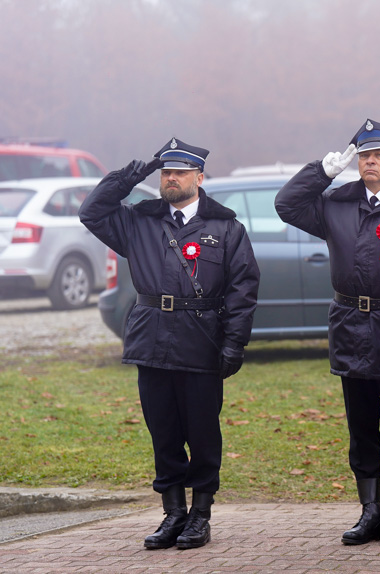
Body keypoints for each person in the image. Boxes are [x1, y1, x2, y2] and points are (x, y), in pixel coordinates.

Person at [79, 138, 260, 550]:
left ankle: (200, 514)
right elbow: (91, 210)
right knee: (162, 430)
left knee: (201, 431)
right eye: (165, 172)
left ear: (199, 177)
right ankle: (173, 512)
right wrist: (134, 173)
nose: (171, 179)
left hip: (200, 343)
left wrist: (234, 343)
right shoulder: (138, 222)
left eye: (179, 172)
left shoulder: (226, 228)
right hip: (151, 340)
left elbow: (243, 290)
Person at [274, 119, 380, 547]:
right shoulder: (337, 203)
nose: (370, 161)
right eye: (364, 155)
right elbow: (287, 205)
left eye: (379, 155)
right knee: (360, 427)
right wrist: (322, 171)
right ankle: (369, 510)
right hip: (352, 324)